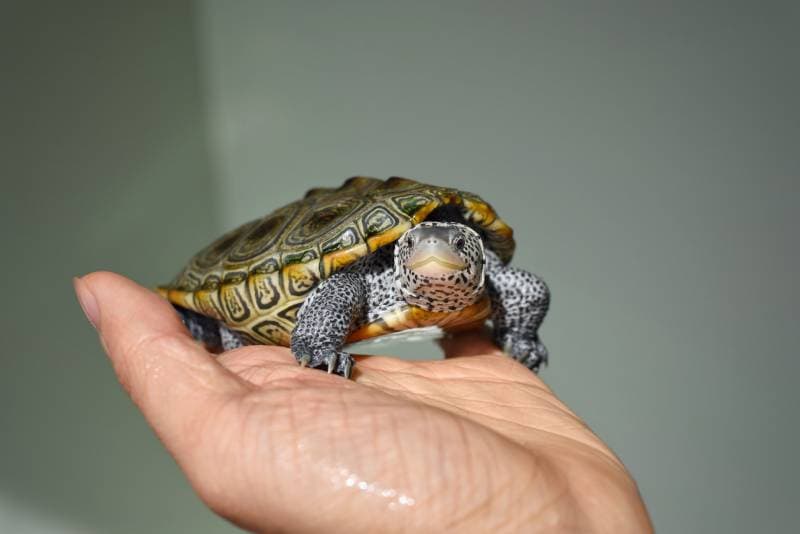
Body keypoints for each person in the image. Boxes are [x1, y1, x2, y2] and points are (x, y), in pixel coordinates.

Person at [73, 272, 653, 533]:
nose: (434, 253)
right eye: (421, 247)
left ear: (472, 256)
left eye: (453, 247)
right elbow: (340, 286)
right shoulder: (368, 284)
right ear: (404, 257)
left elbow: (528, 289)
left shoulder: (493, 283)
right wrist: (318, 340)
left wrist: (521, 337)